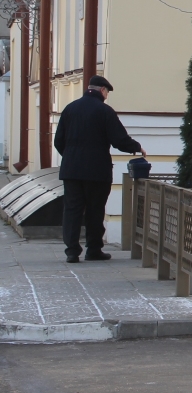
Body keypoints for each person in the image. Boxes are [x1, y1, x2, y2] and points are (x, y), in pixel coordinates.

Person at [54, 75, 145, 263]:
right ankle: (93, 249)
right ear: (103, 91)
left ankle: (72, 251)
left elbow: (58, 141)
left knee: (72, 209)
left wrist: (71, 157)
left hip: (71, 169)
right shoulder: (104, 111)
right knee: (95, 209)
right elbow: (118, 139)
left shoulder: (70, 109)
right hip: (97, 170)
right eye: (107, 93)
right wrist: (136, 147)